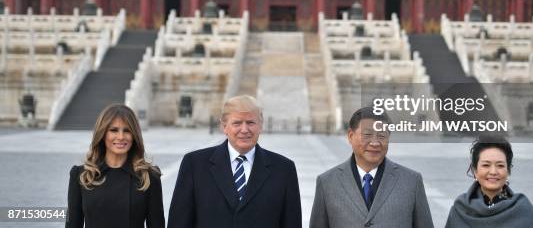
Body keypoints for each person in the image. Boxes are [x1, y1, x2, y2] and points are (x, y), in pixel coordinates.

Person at [168, 95, 301, 228]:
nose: (244, 130)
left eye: (250, 122)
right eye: (237, 123)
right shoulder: (194, 165)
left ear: (260, 125)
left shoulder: (284, 169)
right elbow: (179, 222)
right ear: (224, 126)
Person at [310, 107, 434, 228]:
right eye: (367, 134)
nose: (375, 142)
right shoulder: (327, 182)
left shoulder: (411, 181)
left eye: (381, 136)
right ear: (350, 136)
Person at [66, 104, 164, 228]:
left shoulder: (149, 177)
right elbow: (72, 224)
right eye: (114, 130)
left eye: (127, 131)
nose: (121, 137)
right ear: (103, 133)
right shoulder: (82, 176)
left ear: (134, 135)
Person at [445, 136, 533, 228]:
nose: (493, 172)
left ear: (508, 170)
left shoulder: (524, 211)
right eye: (486, 165)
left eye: (500, 165)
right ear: (475, 170)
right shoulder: (460, 210)